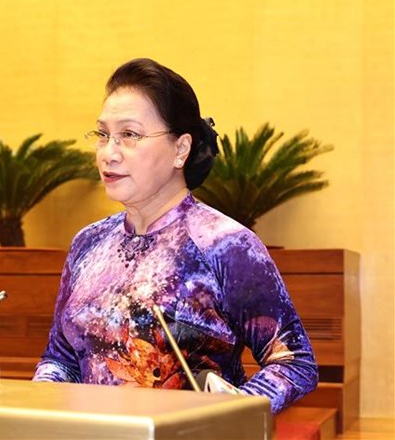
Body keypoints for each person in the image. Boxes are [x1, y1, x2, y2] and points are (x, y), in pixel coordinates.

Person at [32, 58, 318, 414]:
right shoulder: (88, 244)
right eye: (103, 135)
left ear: (181, 149)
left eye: (130, 135)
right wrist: (38, 407)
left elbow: (294, 362)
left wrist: (233, 411)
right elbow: (60, 359)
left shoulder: (225, 245)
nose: (109, 153)